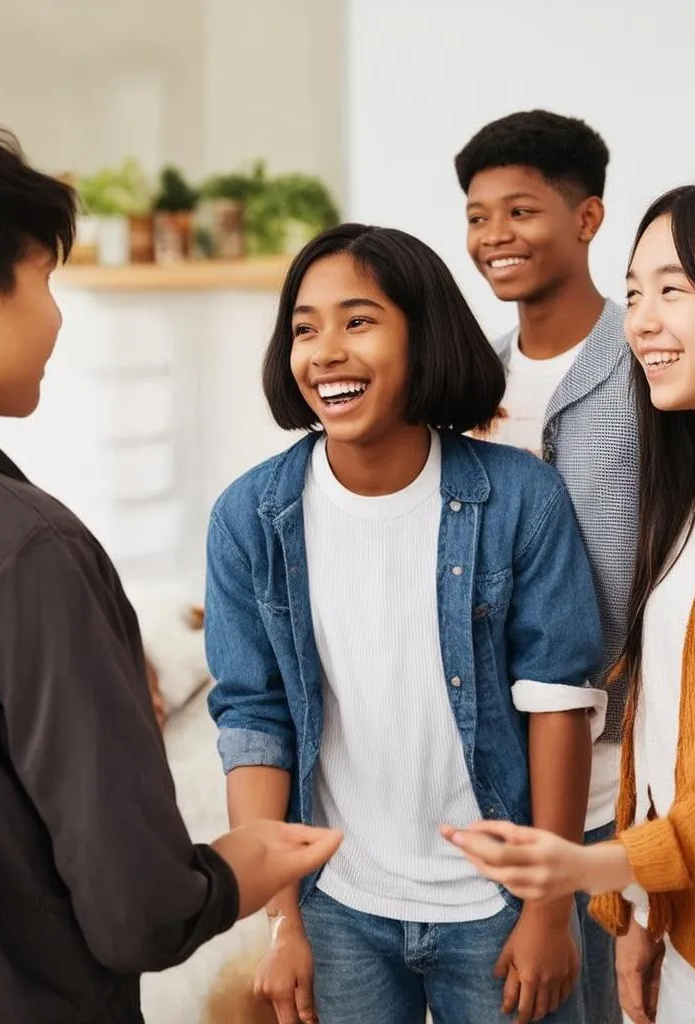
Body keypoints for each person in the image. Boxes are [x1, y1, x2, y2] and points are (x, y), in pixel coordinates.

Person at [0, 110, 340, 1024]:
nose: (56, 315)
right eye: (44, 282)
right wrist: (235, 868)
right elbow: (137, 910)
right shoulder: (23, 549)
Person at [442, 172, 695, 1023]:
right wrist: (647, 913)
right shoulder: (687, 503)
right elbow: (669, 729)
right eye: (633, 291)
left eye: (675, 290)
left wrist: (607, 864)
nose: (642, 321)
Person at [206, 222, 607, 1024]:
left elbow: (558, 701)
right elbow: (255, 717)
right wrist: (282, 919)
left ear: (423, 336)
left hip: (496, 906)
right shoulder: (251, 516)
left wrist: (546, 908)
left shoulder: (521, 498)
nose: (325, 352)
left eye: (358, 321)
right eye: (304, 329)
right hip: (339, 908)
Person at [454, 109, 637, 1024]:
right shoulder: (469, 384)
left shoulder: (647, 368)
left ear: (588, 217)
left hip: (612, 779)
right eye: (479, 216)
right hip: (493, 772)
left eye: (519, 211)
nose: (494, 237)